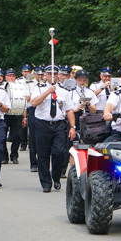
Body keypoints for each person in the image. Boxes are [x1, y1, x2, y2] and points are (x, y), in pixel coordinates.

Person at [30, 64, 73, 192]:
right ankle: (46, 183)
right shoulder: (39, 88)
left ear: (59, 76)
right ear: (45, 75)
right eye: (49, 74)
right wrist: (48, 92)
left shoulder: (64, 91)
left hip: (58, 124)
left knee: (59, 152)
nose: (52, 76)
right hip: (43, 124)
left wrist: (72, 126)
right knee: (43, 155)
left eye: (55, 74)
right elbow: (34, 103)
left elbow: (69, 110)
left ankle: (56, 177)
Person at [1, 68, 23, 164]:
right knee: (2, 136)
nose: (11, 78)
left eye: (13, 76)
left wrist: (24, 116)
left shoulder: (20, 86)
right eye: (9, 76)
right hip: (5, 114)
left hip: (16, 113)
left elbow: (24, 102)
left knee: (16, 136)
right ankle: (4, 157)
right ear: (6, 77)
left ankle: (14, 155)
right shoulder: (2, 87)